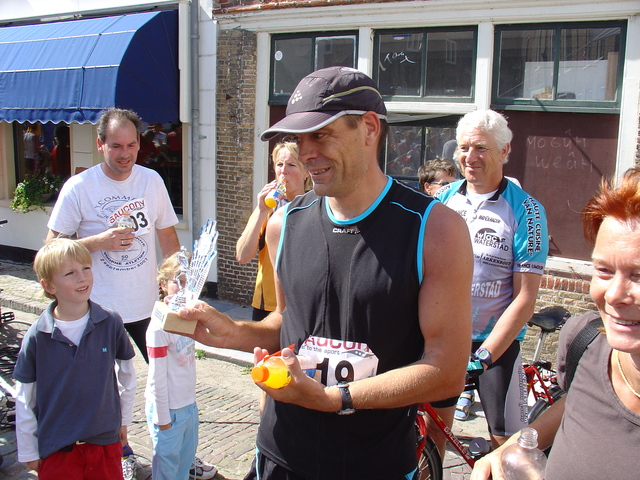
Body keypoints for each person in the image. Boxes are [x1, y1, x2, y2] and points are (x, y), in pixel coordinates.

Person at [178, 66, 473, 480]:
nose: (305, 152)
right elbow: (289, 324)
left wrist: (336, 399)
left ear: (369, 128)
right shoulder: (283, 224)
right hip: (280, 455)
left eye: (321, 135)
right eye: (299, 139)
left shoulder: (435, 230)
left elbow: (445, 371)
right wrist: (232, 332)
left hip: (375, 465)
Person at [471, 166, 640, 480]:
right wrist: (512, 449)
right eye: (603, 270)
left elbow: (524, 296)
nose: (615, 295)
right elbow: (580, 402)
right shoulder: (585, 344)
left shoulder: (526, 209)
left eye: (639, 275)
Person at [45, 107, 180, 478]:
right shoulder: (80, 188)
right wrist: (97, 242)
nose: (125, 154)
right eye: (116, 146)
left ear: (140, 144)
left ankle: (173, 453)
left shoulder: (151, 181)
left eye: (132, 145)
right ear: (100, 144)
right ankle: (121, 451)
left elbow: (168, 239)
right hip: (97, 311)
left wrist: (177, 283)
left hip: (145, 307)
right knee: (107, 390)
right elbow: (49, 252)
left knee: (167, 382)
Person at [435, 109, 549, 450]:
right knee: (432, 432)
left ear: (505, 151)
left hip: (495, 344)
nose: (470, 157)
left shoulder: (527, 210)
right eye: (464, 147)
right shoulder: (442, 200)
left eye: (481, 148)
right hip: (443, 337)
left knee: (507, 444)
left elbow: (525, 299)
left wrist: (485, 355)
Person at [13, 238, 136, 479]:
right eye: (70, 273)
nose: (82, 277)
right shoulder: (38, 335)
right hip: (58, 447)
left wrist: (124, 419)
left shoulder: (110, 322)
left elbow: (127, 374)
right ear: (49, 286)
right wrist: (28, 449)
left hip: (104, 443)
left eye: (86, 268)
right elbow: (24, 395)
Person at [145, 253, 217, 480]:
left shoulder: (187, 317)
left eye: (187, 282)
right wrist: (163, 419)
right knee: (167, 471)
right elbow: (157, 376)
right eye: (177, 281)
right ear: (163, 285)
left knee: (184, 466)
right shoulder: (159, 327)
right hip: (168, 411)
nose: (183, 287)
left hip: (187, 406)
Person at [235, 141, 311, 320]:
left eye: (292, 165)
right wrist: (261, 211)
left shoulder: (315, 206)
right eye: (279, 164)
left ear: (306, 172)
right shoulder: (267, 208)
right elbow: (242, 256)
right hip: (268, 305)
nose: (283, 171)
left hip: (304, 304)